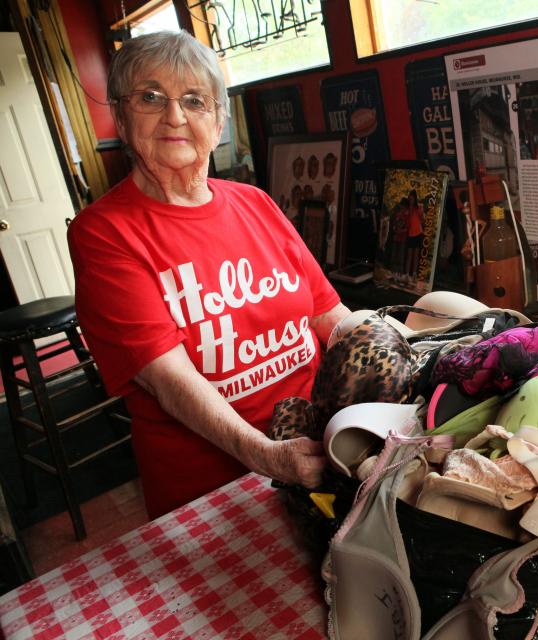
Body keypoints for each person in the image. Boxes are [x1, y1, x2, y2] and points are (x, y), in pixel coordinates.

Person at [67, 31, 351, 519]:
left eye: (194, 100)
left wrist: (411, 346)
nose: (174, 116)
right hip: (215, 490)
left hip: (321, 445)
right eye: (151, 97)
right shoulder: (103, 233)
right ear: (120, 112)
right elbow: (167, 379)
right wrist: (265, 454)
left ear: (218, 120)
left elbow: (330, 315)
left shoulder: (255, 202)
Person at [405, 190, 425, 280]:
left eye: (412, 199)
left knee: (416, 255)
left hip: (418, 233)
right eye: (409, 199)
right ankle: (407, 274)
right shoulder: (408, 208)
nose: (411, 200)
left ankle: (414, 274)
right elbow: (407, 222)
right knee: (409, 255)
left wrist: (420, 211)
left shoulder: (419, 208)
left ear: (415, 199)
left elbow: (422, 219)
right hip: (410, 234)